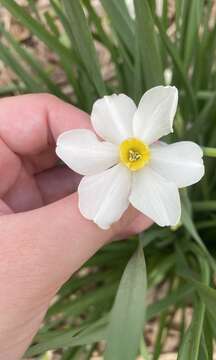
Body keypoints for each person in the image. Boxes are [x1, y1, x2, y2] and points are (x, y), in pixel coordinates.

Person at [0, 94, 151, 360]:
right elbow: (82, 140)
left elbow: (189, 165)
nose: (134, 155)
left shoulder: (147, 160)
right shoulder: (117, 173)